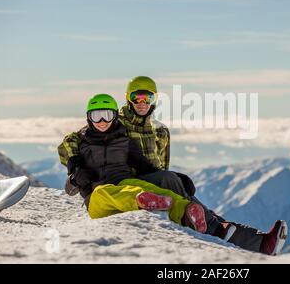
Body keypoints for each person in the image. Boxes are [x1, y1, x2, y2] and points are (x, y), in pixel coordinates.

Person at [58, 77, 287, 255]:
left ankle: (252, 240)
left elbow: (154, 165)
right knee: (124, 191)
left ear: (154, 99)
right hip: (117, 186)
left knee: (173, 183)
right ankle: (217, 229)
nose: (141, 103)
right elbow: (71, 144)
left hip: (140, 180)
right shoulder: (115, 123)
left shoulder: (156, 131)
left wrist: (176, 178)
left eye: (146, 98)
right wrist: (75, 168)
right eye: (137, 97)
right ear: (127, 98)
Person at [65, 93, 208, 233]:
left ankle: (186, 212)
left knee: (144, 186)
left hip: (125, 182)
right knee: (103, 192)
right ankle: (141, 200)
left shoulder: (125, 142)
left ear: (115, 116)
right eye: (96, 116)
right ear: (89, 118)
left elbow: (145, 168)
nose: (102, 121)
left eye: (107, 115)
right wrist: (76, 178)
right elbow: (69, 187)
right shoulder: (82, 145)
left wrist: (175, 177)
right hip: (97, 199)